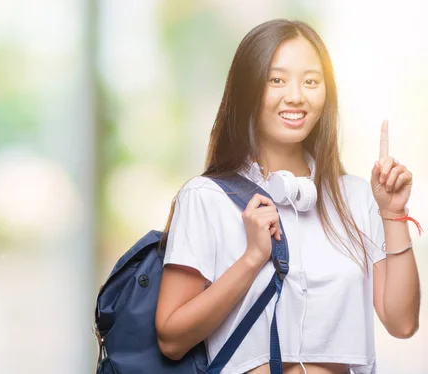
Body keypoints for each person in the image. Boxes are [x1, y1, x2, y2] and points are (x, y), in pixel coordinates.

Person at [154, 19, 421, 374]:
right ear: (249, 89)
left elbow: (402, 323)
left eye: (311, 81)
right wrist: (251, 259)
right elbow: (171, 340)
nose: (296, 95)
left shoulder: (358, 197)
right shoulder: (206, 198)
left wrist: (393, 215)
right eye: (276, 80)